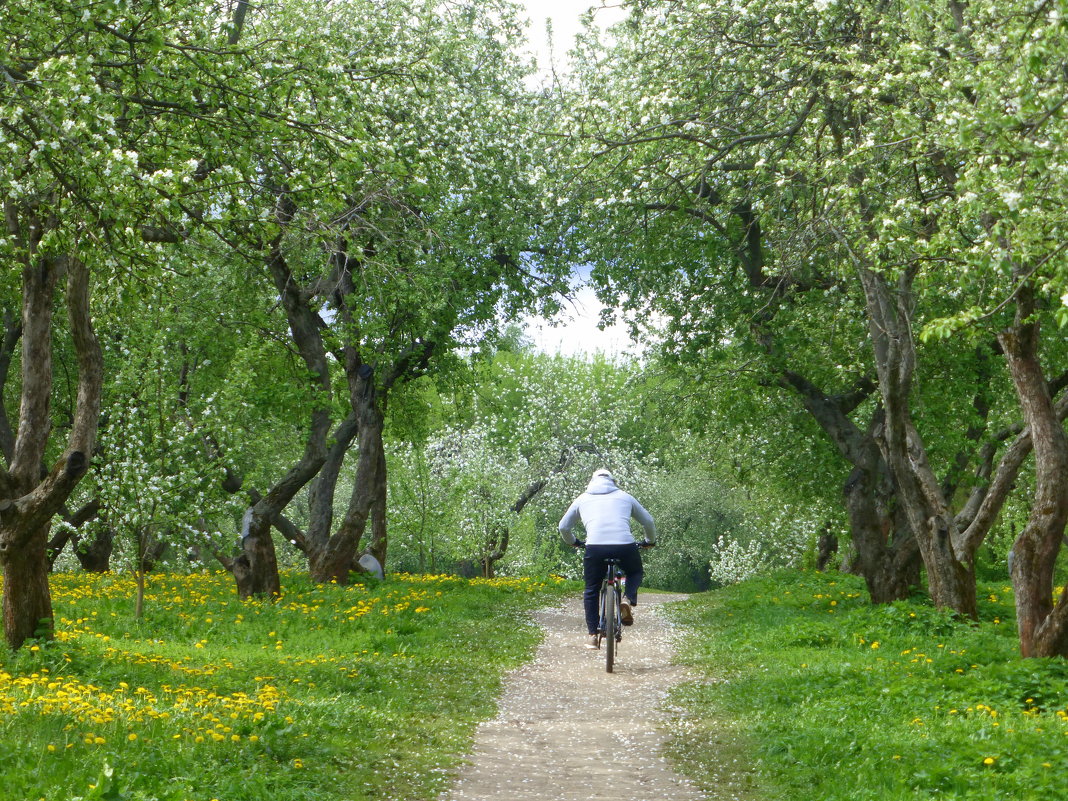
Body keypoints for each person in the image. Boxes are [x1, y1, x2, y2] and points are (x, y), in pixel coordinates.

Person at [558, 468, 656, 648]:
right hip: (625, 546)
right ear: (613, 481)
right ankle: (627, 599)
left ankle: (593, 635)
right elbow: (648, 521)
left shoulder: (583, 498)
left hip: (595, 548)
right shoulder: (625, 497)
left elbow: (563, 527)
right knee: (634, 571)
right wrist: (649, 541)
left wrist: (573, 542)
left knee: (591, 589)